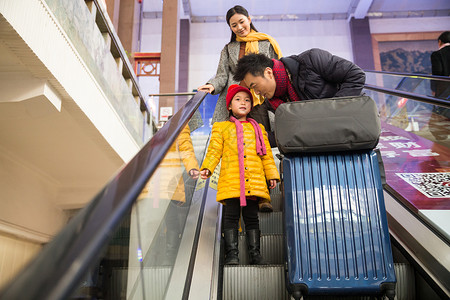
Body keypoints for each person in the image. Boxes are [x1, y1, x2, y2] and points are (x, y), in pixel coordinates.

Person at [197, 5, 282, 212]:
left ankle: (264, 198)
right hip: (238, 101)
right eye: (233, 25)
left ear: (249, 19)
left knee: (261, 146)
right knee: (236, 148)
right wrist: (212, 85)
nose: (239, 27)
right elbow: (222, 76)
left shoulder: (266, 42)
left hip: (260, 101)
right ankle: (237, 192)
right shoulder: (229, 49)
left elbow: (276, 69)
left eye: (241, 22)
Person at [200, 85, 280, 265]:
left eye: (247, 100)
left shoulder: (258, 128)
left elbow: (266, 155)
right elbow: (214, 151)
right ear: (229, 106)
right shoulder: (221, 127)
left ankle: (255, 254)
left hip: (253, 182)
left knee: (252, 217)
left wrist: (271, 175)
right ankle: (232, 254)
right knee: (231, 217)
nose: (243, 102)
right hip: (231, 182)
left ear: (251, 106)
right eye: (238, 99)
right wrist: (207, 167)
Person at [233, 49, 366, 113]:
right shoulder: (274, 103)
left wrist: (332, 110)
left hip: (353, 123)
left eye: (254, 86)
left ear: (268, 72)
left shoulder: (311, 60)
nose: (256, 93)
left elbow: (355, 75)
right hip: (325, 142)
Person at [430, 31, 450, 99]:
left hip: (444, 90)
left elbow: (437, 72)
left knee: (442, 107)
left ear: (440, 42)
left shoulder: (437, 54)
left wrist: (434, 89)